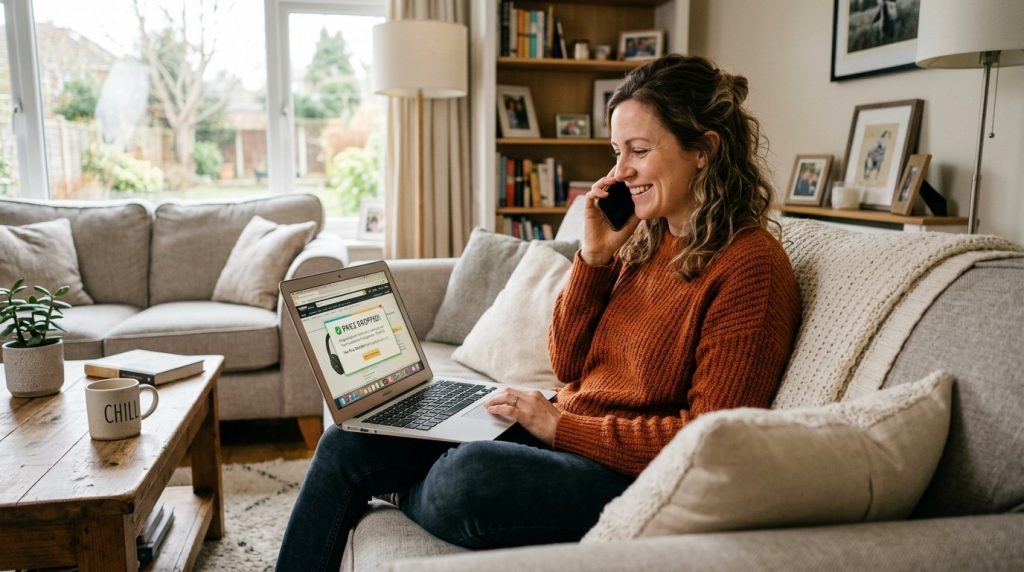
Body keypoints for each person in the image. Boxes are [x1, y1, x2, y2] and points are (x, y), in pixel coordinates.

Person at [275, 54, 800, 571]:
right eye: (617, 152)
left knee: (469, 478)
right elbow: (569, 364)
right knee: (350, 439)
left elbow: (706, 442)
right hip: (566, 431)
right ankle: (397, 481)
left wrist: (559, 429)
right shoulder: (647, 239)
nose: (621, 173)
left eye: (639, 150)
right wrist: (593, 258)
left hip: (627, 475)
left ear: (704, 149)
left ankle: (400, 485)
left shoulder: (750, 268)